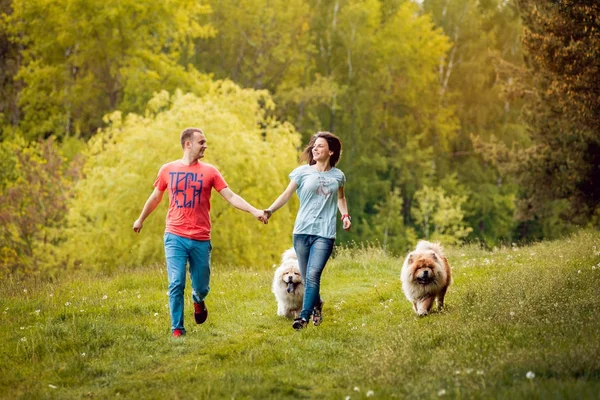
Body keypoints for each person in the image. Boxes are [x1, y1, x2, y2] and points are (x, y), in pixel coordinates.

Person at [133, 127, 266, 337]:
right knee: (176, 283)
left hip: (201, 238)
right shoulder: (167, 170)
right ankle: (177, 328)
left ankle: (198, 300)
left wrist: (254, 211)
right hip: (174, 235)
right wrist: (140, 219)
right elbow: (155, 197)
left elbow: (231, 196)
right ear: (188, 144)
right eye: (201, 142)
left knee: (202, 286)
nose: (205, 146)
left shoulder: (210, 171)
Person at [263, 131, 351, 330]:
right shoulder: (302, 172)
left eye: (320, 146)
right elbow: (286, 194)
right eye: (314, 146)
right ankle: (317, 304)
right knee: (306, 274)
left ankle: (303, 317)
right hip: (302, 232)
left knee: (312, 275)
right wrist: (270, 210)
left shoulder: (338, 176)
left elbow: (340, 198)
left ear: (331, 151)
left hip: (324, 233)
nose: (315, 148)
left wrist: (345, 215)